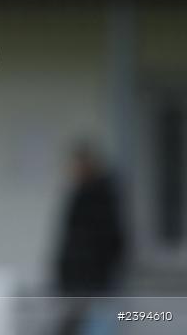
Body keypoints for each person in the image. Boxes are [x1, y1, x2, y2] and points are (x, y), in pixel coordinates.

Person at [53, 142, 127, 335]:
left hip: (93, 277)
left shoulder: (100, 196)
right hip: (79, 277)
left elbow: (111, 238)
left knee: (96, 322)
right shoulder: (81, 193)